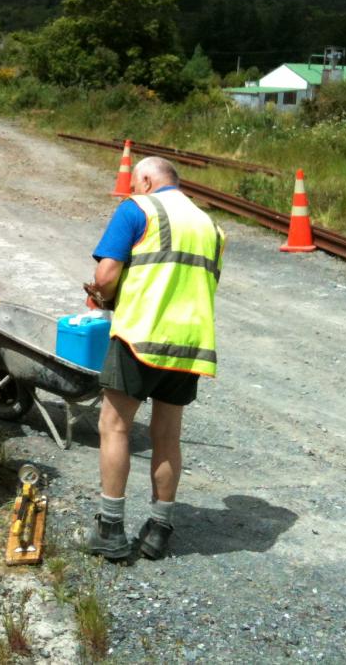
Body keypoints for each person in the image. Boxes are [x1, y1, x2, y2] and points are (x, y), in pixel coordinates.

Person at [84, 156, 225, 561]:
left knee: (114, 426)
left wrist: (100, 296)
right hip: (189, 343)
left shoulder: (138, 209)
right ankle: (159, 530)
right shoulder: (211, 227)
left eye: (134, 181)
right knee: (167, 436)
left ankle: (111, 528)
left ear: (145, 179)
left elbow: (107, 275)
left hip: (139, 336)